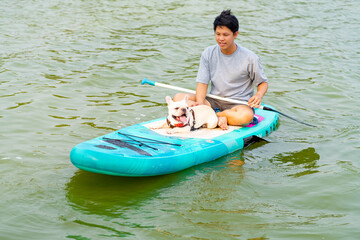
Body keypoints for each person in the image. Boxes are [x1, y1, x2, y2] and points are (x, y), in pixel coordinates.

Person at [173, 10, 268, 130]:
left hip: (238, 105)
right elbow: (202, 83)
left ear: (235, 34)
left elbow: (263, 83)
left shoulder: (250, 58)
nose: (221, 39)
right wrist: (200, 104)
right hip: (213, 102)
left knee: (245, 117)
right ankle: (213, 115)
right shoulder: (208, 53)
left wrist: (258, 95)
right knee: (178, 98)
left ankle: (218, 116)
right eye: (218, 34)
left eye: (225, 35)